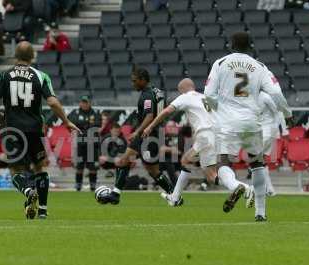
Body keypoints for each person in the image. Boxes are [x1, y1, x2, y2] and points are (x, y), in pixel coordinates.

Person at [204, 32, 293, 222]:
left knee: (223, 163)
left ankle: (238, 186)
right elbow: (276, 92)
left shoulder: (220, 63)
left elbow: (208, 94)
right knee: (257, 164)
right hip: (252, 121)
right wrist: (287, 114)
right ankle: (260, 212)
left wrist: (221, 109)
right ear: (250, 46)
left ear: (231, 45)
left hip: (228, 122)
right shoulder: (259, 67)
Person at [0, 41, 80, 219]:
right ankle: (43, 211)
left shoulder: (4, 75)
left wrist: (1, 118)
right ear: (32, 57)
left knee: (16, 171)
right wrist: (66, 121)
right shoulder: (41, 76)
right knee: (40, 168)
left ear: (15, 56)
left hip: (14, 129)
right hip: (35, 129)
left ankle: (28, 191)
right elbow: (52, 102)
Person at [97, 68, 176, 205]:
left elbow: (150, 115)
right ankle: (116, 194)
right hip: (150, 134)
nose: (133, 84)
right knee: (124, 161)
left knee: (153, 171)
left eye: (135, 81)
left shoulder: (146, 94)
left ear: (143, 80)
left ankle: (175, 195)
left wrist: (137, 131)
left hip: (148, 135)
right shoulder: (157, 91)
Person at [143, 78, 218, 206]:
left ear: (183, 90)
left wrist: (150, 126)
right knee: (211, 175)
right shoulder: (205, 98)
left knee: (185, 161)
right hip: (216, 135)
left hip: (205, 135)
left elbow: (166, 111)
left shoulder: (186, 97)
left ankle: (175, 197)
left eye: (180, 91)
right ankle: (240, 186)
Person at [68, 95, 101, 191]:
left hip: (92, 144)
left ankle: (93, 186)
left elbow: (98, 124)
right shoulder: (75, 112)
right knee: (79, 166)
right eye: (83, 102)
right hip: (81, 144)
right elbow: (72, 121)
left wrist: (82, 125)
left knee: (93, 167)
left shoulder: (96, 112)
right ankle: (78, 186)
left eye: (86, 102)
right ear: (80, 103)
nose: (84, 104)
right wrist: (88, 125)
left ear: (89, 103)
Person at [260, 91, 289, 197]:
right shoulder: (248, 96)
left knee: (256, 160)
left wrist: (281, 130)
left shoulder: (266, 97)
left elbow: (279, 113)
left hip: (267, 132)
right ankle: (269, 188)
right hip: (259, 131)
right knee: (260, 161)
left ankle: (264, 187)